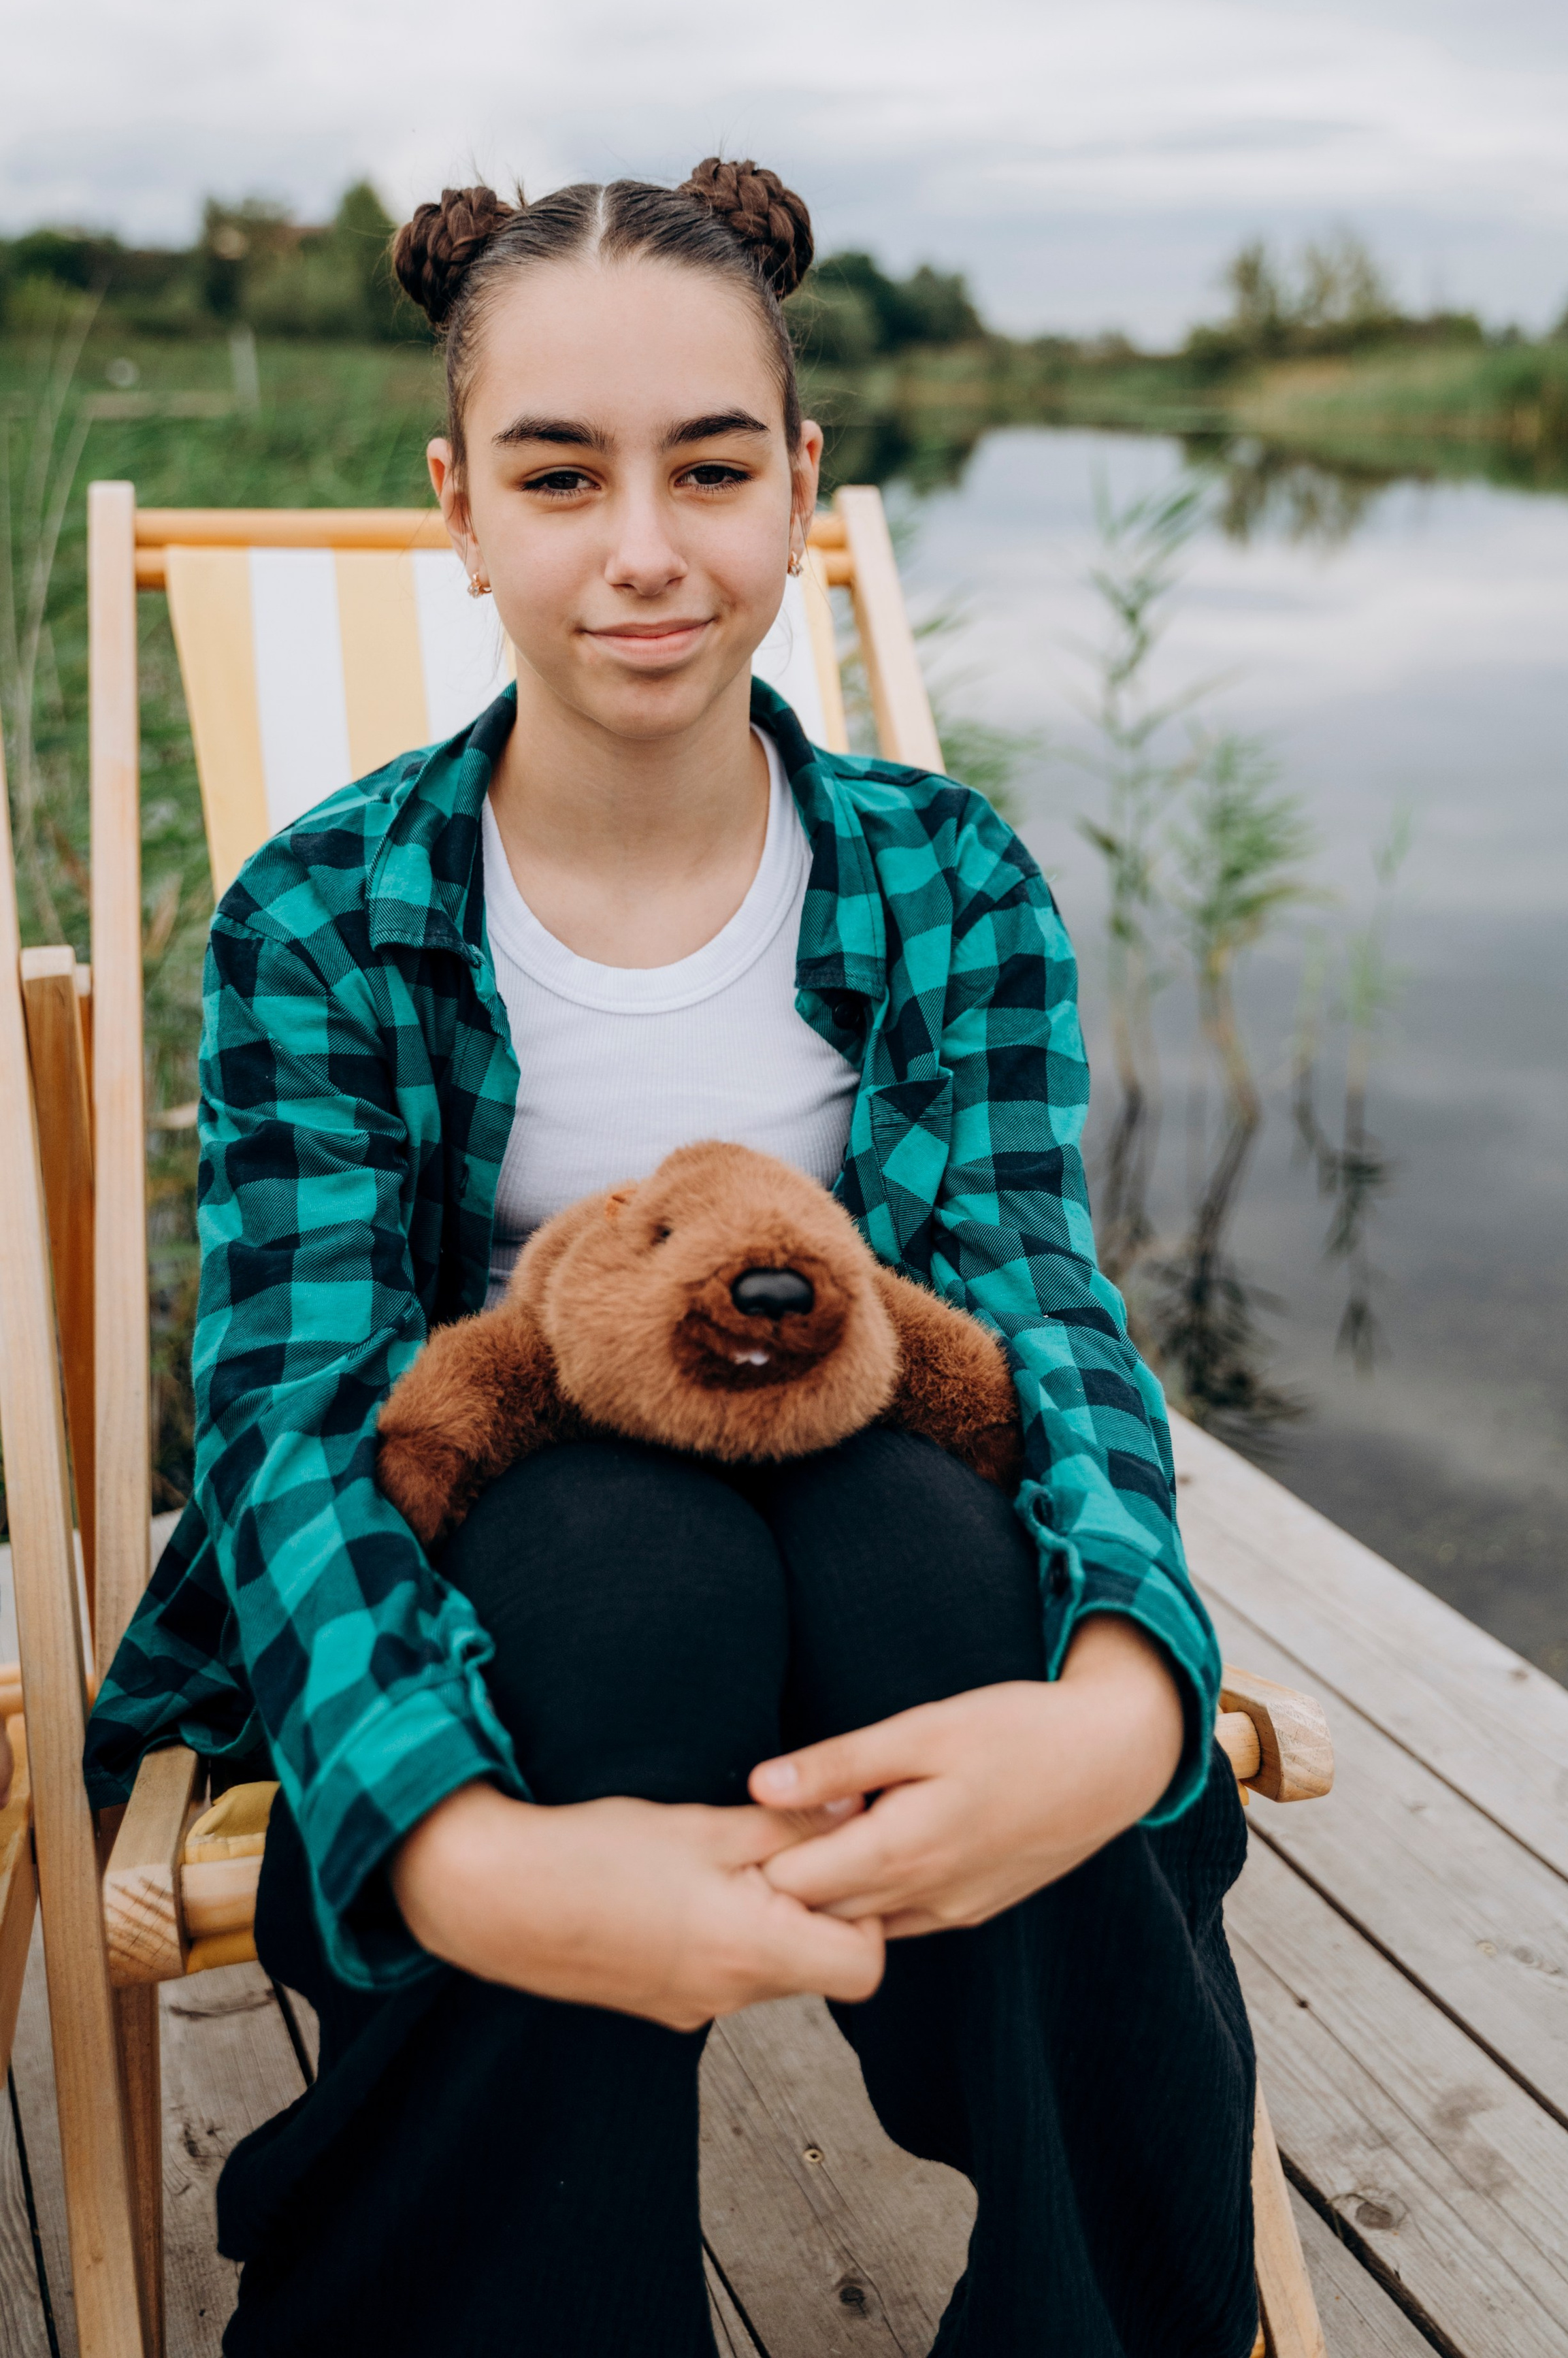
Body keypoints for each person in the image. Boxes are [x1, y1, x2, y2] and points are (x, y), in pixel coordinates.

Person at [86, 160, 1256, 2357]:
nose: (644, 549)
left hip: (888, 1526)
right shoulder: (327, 915)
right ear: (460, 505)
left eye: (711, 467)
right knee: (637, 1577)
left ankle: (1111, 2318)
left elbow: (1044, 1317)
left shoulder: (945, 882)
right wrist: (461, 1854)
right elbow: (287, 1413)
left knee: (950, 1573)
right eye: (560, 474)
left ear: (799, 486)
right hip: (519, 1600)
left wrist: (1124, 1707)